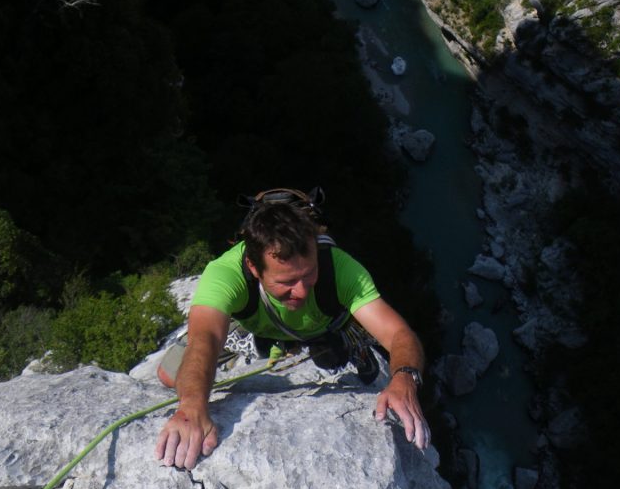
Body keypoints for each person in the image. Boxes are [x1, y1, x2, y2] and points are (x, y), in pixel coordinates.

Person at [154, 188, 431, 470]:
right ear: (253, 267)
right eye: (286, 281)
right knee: (168, 375)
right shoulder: (226, 273)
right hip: (254, 327)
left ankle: (352, 344)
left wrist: (405, 378)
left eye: (309, 274)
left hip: (321, 327)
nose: (300, 291)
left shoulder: (341, 269)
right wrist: (191, 407)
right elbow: (206, 338)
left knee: (331, 356)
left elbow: (399, 334)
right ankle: (273, 343)